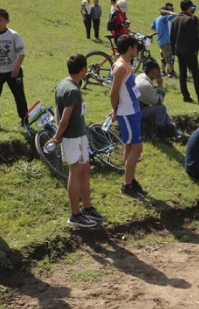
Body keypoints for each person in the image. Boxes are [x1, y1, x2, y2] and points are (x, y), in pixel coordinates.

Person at [49, 54, 106, 228]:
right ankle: (75, 215)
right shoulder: (72, 90)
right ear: (83, 69)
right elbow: (64, 119)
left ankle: (87, 208)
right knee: (75, 172)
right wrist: (56, 138)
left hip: (79, 136)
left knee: (85, 169)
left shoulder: (64, 84)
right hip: (72, 137)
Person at [110, 34, 146, 198]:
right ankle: (127, 185)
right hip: (127, 112)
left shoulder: (125, 65)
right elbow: (113, 92)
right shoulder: (120, 67)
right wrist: (115, 110)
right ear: (130, 48)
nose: (137, 50)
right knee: (137, 148)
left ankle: (129, 179)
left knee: (130, 147)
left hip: (132, 110)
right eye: (136, 47)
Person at [0, 9, 28, 132]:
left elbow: (22, 53)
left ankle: (24, 121)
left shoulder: (13, 35)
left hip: (13, 71)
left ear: (7, 21)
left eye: (0, 20)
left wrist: (16, 68)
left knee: (19, 96)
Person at [135, 60, 184, 143]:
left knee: (161, 110)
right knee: (161, 109)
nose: (159, 73)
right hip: (138, 111)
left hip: (137, 107)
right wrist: (160, 84)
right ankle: (160, 135)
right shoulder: (145, 85)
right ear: (153, 71)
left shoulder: (141, 76)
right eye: (158, 70)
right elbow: (159, 101)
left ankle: (175, 131)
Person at [169, 0, 199, 105]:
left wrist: (174, 50)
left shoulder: (175, 20)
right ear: (189, 8)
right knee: (196, 74)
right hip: (189, 51)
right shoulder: (189, 20)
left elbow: (172, 37)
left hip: (179, 50)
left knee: (182, 73)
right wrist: (195, 49)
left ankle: (185, 96)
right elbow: (192, 38)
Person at [151, 3, 176, 78]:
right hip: (166, 42)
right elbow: (174, 15)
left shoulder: (157, 19)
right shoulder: (164, 18)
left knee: (163, 57)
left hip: (160, 41)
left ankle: (163, 71)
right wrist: (168, 12)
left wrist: (160, 31)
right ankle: (170, 73)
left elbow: (152, 27)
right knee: (170, 59)